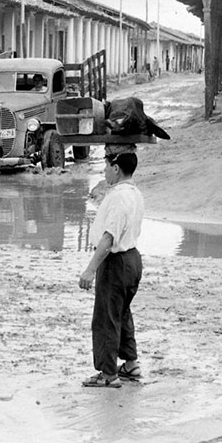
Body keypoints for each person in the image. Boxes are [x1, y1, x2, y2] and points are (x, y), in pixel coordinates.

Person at [79, 150, 144, 388]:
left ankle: (108, 374)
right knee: (122, 312)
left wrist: (89, 270)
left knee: (107, 316)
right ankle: (130, 364)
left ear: (116, 168)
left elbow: (108, 238)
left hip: (117, 262)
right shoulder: (135, 194)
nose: (104, 171)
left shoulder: (118, 197)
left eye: (106, 166)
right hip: (133, 259)